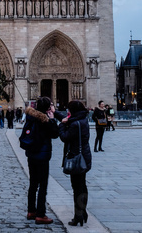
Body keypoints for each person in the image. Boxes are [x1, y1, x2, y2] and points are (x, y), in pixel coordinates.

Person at [23, 97, 60, 225]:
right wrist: (53, 119)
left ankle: (31, 211)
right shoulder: (45, 120)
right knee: (43, 185)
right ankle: (40, 215)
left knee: (33, 184)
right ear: (47, 108)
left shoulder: (31, 116)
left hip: (31, 154)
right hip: (42, 156)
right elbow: (55, 133)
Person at [59, 100, 92, 227]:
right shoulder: (83, 120)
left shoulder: (74, 124)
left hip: (76, 158)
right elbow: (71, 121)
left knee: (77, 188)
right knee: (82, 186)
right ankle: (83, 212)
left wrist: (61, 125)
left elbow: (64, 137)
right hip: (85, 156)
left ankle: (78, 216)